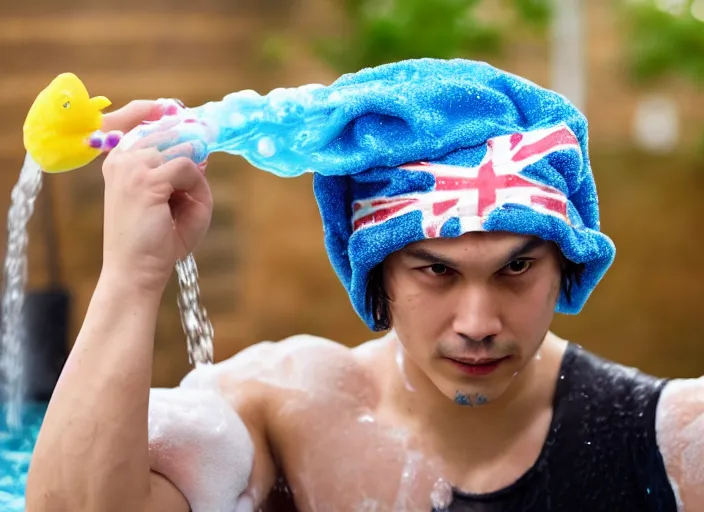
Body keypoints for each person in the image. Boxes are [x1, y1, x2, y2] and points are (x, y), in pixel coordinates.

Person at [25, 59, 702, 512]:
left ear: (566, 265)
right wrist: (131, 276)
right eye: (436, 270)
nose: (478, 320)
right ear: (373, 268)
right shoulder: (288, 413)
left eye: (515, 268)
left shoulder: (673, 444)